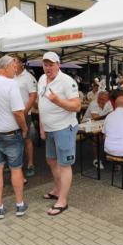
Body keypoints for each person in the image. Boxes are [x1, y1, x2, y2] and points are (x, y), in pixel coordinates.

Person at [0, 56, 29, 220]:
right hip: (10, 134)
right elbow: (18, 112)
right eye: (14, 67)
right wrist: (24, 128)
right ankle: (19, 205)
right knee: (16, 169)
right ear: (6, 67)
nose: (16, 70)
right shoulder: (11, 84)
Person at [38, 52, 81, 216]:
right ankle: (57, 189)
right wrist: (42, 126)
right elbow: (40, 102)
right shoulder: (42, 79)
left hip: (64, 128)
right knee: (51, 160)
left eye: (51, 64)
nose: (48, 68)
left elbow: (76, 106)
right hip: (49, 128)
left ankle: (62, 200)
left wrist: (58, 101)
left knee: (65, 164)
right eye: (45, 64)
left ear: (58, 65)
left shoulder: (67, 81)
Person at [13, 57, 38, 178]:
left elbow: (33, 96)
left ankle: (30, 164)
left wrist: (25, 111)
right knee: (14, 140)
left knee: (27, 139)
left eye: (15, 62)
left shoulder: (29, 77)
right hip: (12, 115)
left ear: (22, 64)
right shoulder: (11, 76)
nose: (13, 64)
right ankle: (15, 165)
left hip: (24, 114)